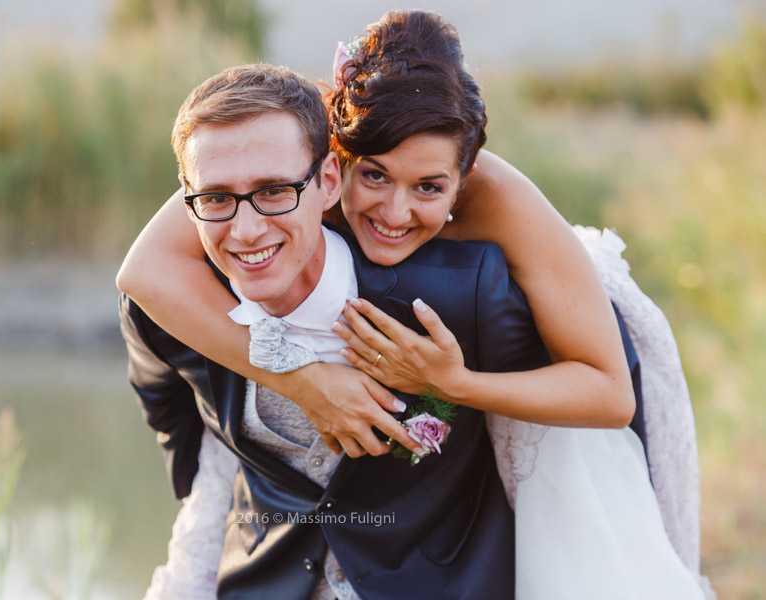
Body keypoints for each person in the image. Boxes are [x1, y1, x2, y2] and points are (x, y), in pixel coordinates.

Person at [120, 9, 709, 599]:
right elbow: (145, 271)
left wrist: (455, 382)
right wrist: (302, 378)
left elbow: (607, 392)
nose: (394, 214)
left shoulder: (497, 199)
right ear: (335, 164)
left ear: (463, 176)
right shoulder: (281, 158)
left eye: (429, 187)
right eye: (374, 177)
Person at [120, 61, 550, 598]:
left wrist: (457, 385)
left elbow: (566, 418)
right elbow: (168, 406)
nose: (246, 228)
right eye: (216, 198)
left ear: (327, 181)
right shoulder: (170, 311)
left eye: (275, 190)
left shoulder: (462, 298)